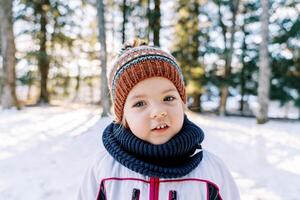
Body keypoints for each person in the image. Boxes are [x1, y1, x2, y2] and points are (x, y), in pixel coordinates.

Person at [78, 40, 240, 200]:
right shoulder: (103, 171)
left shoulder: (212, 172)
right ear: (122, 117)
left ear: (182, 104)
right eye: (140, 103)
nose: (158, 112)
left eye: (168, 98)